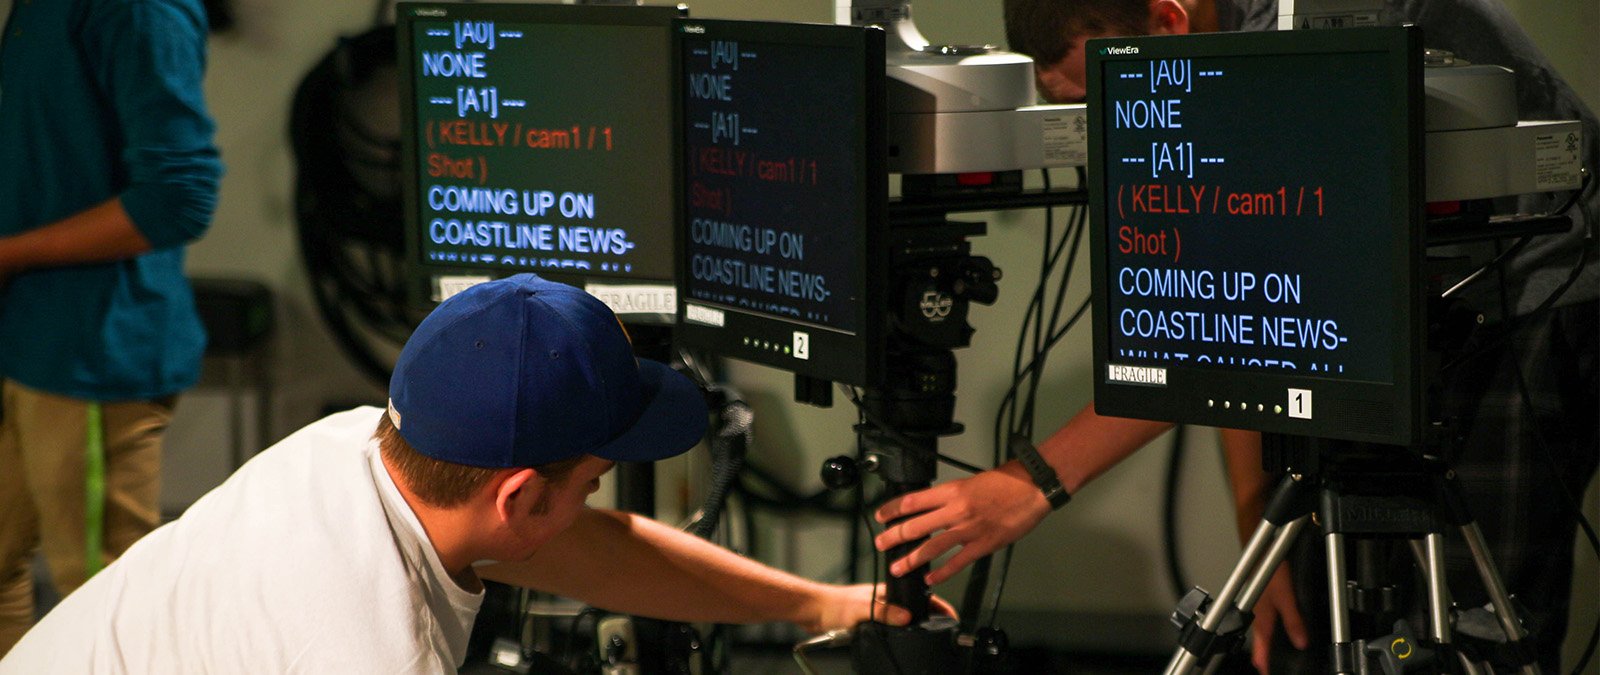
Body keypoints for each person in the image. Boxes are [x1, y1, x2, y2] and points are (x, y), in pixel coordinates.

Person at [874, 1, 1598, 672]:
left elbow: (1230, 320)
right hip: (1376, 303)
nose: (1112, 125)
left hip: (1528, 290)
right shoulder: (1223, 41)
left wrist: (1032, 480)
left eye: (1098, 96)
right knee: (1320, 617)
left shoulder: (1285, 50)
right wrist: (1263, 526)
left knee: (1472, 632)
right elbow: (1243, 306)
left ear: (1166, 22)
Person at [0, 274, 945, 672]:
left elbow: (588, 552)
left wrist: (826, 604)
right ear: (518, 493)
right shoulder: (370, 648)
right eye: (592, 477)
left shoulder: (353, 449)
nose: (599, 495)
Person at [0, 0, 224, 656]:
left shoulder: (137, 9)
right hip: (25, 341)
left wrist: (10, 254)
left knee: (104, 604)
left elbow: (180, 195)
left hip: (90, 354)